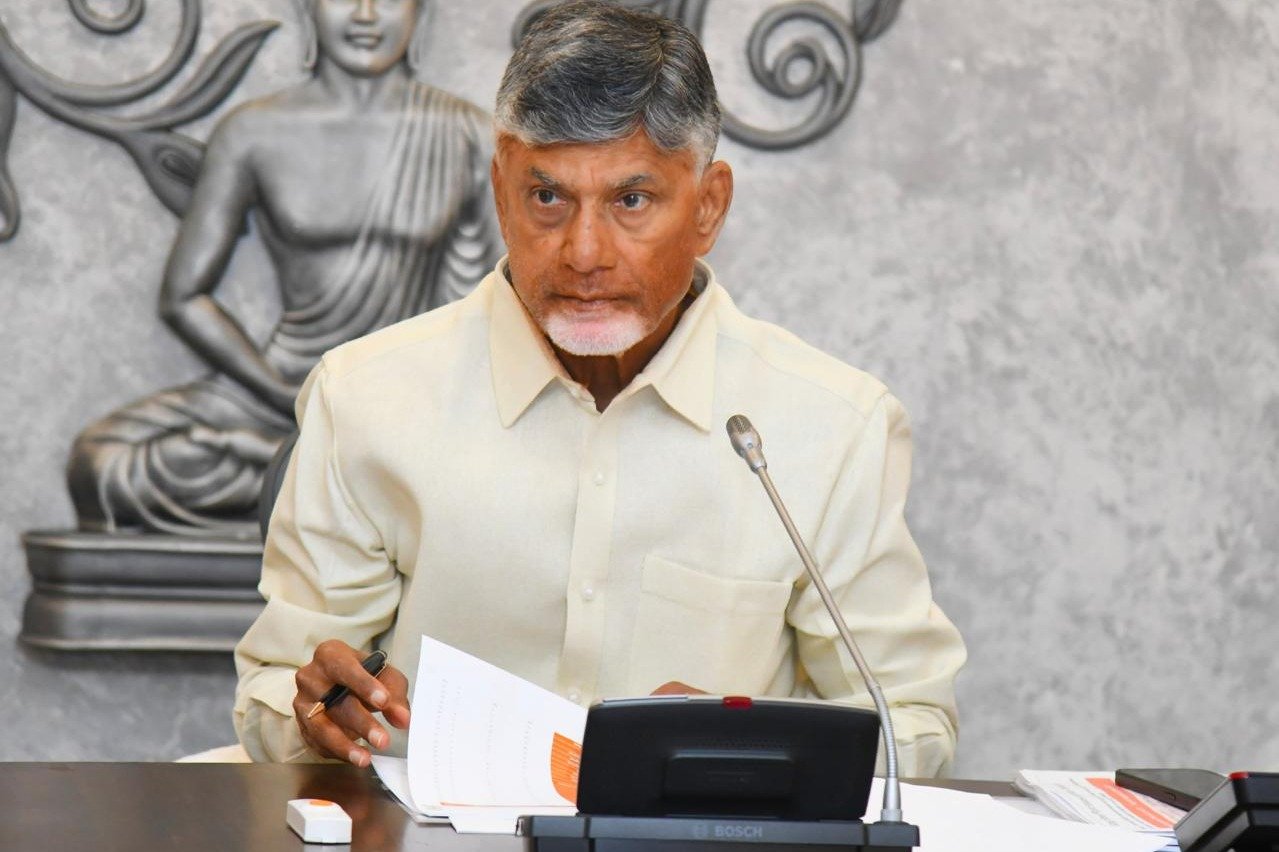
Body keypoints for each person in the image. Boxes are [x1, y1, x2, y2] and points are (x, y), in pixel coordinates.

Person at [234, 1, 967, 777]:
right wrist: (311, 711)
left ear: (709, 205)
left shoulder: (830, 425)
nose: (584, 253)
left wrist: (746, 748)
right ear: (500, 192)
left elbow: (914, 725)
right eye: (547, 198)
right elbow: (278, 692)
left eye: (631, 201)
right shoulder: (366, 397)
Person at [65, 0, 501, 535]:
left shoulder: (468, 135)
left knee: (502, 461)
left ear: (421, 16)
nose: (365, 14)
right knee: (100, 464)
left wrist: (417, 402)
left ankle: (299, 467)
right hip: (281, 389)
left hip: (408, 399)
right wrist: (283, 396)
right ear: (307, 12)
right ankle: (328, 471)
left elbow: (498, 301)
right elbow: (183, 297)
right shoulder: (254, 132)